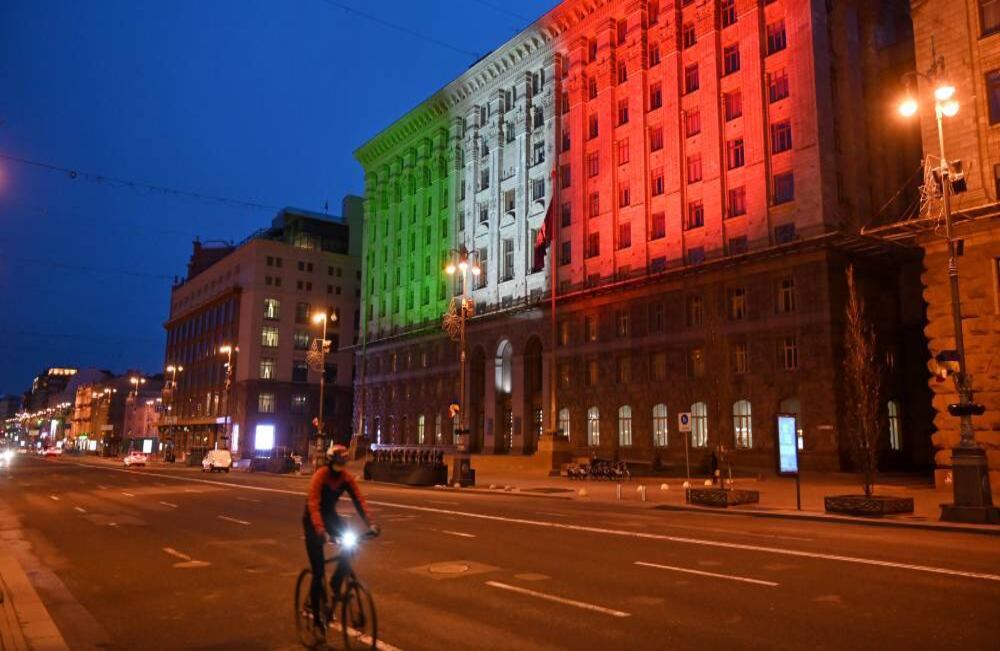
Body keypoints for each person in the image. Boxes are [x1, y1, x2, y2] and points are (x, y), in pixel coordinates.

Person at [302, 443, 378, 631]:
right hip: (313, 520)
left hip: (330, 517)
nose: (340, 470)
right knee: (318, 570)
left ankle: (335, 584)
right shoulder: (320, 476)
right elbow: (313, 504)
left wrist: (371, 524)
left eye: (342, 464)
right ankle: (314, 609)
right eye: (337, 465)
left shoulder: (346, 478)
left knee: (350, 547)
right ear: (329, 463)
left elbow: (359, 500)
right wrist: (320, 530)